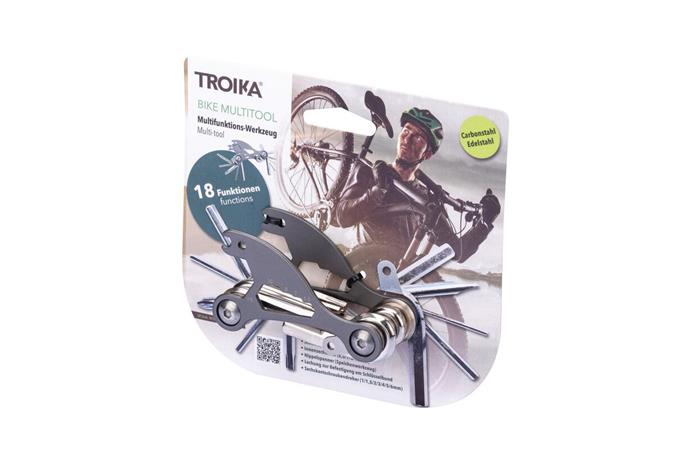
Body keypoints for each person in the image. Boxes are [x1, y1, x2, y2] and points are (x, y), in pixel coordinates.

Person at [334, 107, 500, 263]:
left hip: (396, 273)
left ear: (427, 154)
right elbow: (343, 217)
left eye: (418, 137)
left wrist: (484, 225)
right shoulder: (369, 173)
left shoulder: (427, 199)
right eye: (406, 131)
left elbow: (456, 252)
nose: (407, 139)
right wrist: (377, 191)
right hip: (361, 264)